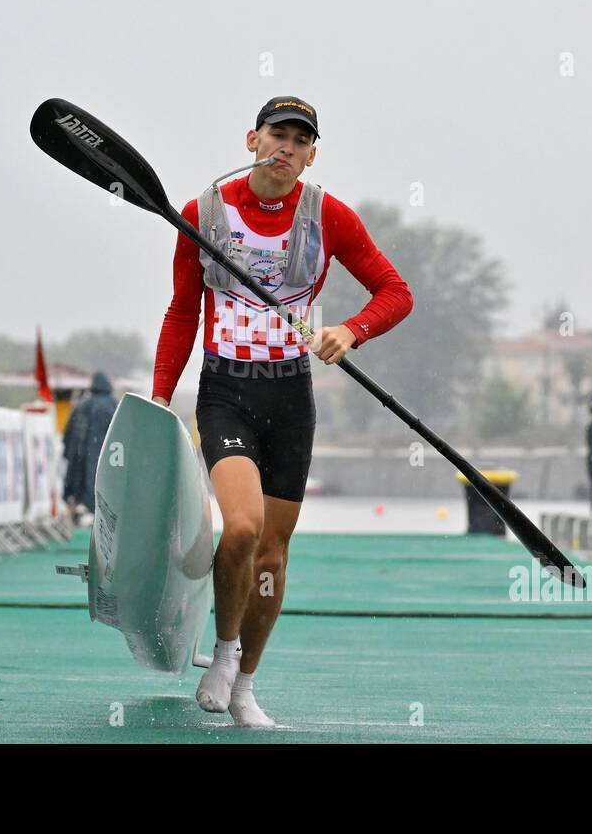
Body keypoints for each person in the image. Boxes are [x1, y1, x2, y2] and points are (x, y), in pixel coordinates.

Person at [151, 96, 413, 727]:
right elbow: (183, 310)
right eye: (277, 134)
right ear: (252, 139)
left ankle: (243, 686)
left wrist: (350, 331)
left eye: (300, 140)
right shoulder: (202, 214)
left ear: (311, 154)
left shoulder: (331, 218)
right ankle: (222, 648)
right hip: (225, 393)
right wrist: (160, 398)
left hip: (291, 397)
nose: (286, 147)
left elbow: (395, 292)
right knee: (239, 528)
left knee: (272, 555)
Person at [61, 371, 117, 523]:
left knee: (80, 488)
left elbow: (68, 436)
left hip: (80, 457)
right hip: (107, 458)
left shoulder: (81, 405)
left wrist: (69, 454)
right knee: (103, 490)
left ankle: (80, 515)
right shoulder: (114, 406)